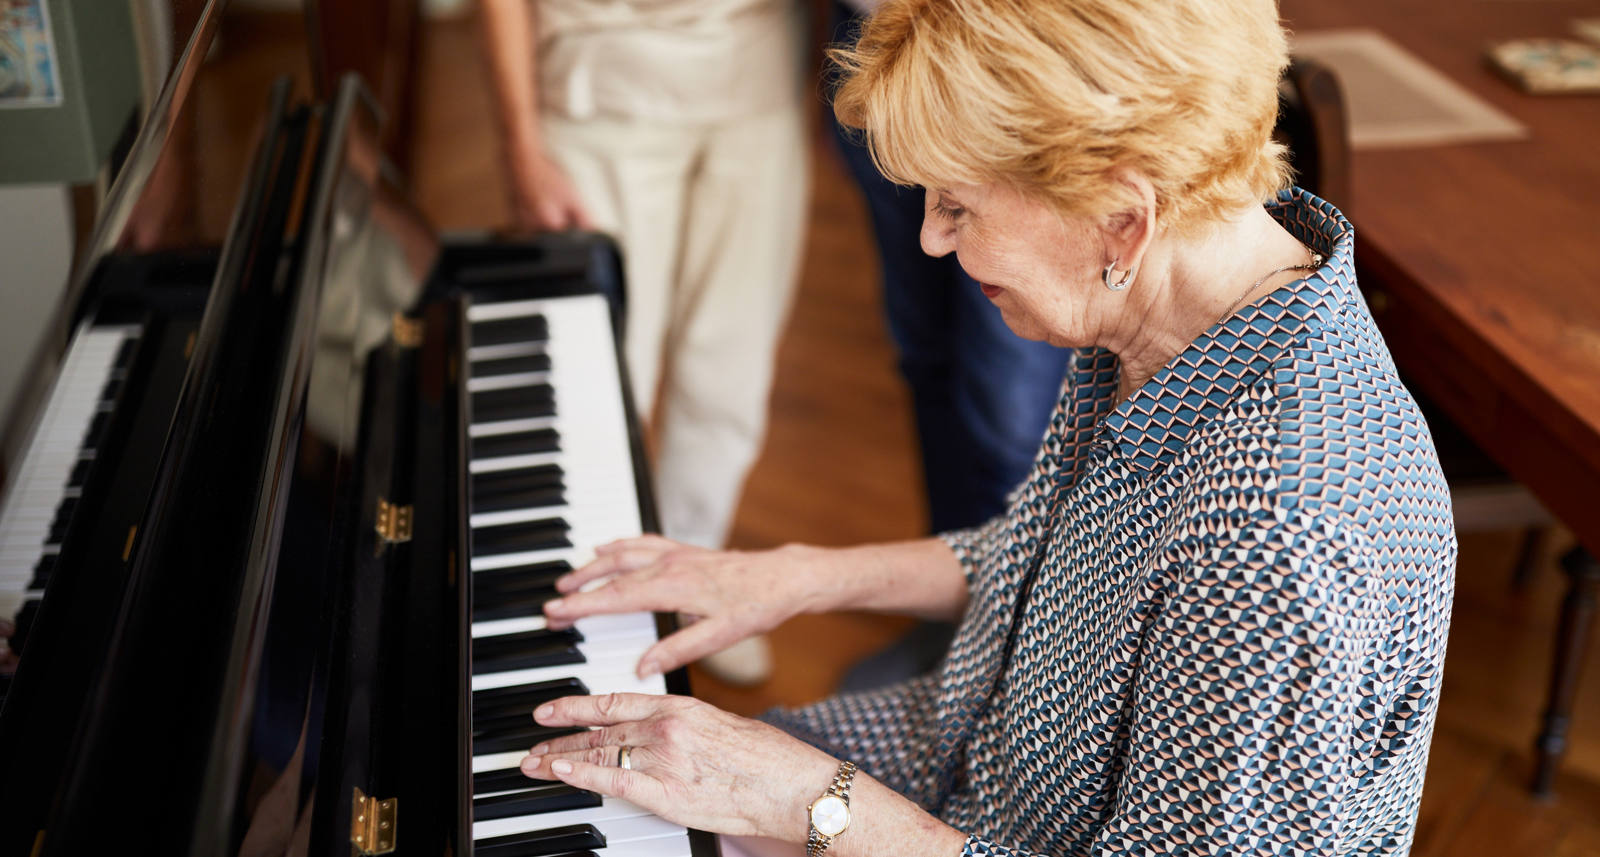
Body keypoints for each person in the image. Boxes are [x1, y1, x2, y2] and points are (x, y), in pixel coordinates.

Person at [508, 0, 1459, 854]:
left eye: (958, 204)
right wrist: (799, 576)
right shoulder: (1170, 312)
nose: (930, 236)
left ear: (1121, 220)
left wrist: (805, 798)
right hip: (959, 756)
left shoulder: (1280, 535)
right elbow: (1059, 558)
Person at [478, 0, 813, 684]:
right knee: (599, 381)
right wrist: (519, 142)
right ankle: (592, 601)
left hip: (757, 85)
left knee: (729, 375)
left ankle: (689, 582)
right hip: (599, 93)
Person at [824, 0, 1075, 692]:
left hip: (1007, 50)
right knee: (925, 355)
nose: (943, 231)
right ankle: (956, 621)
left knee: (1010, 412)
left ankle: (1016, 660)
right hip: (875, 32)